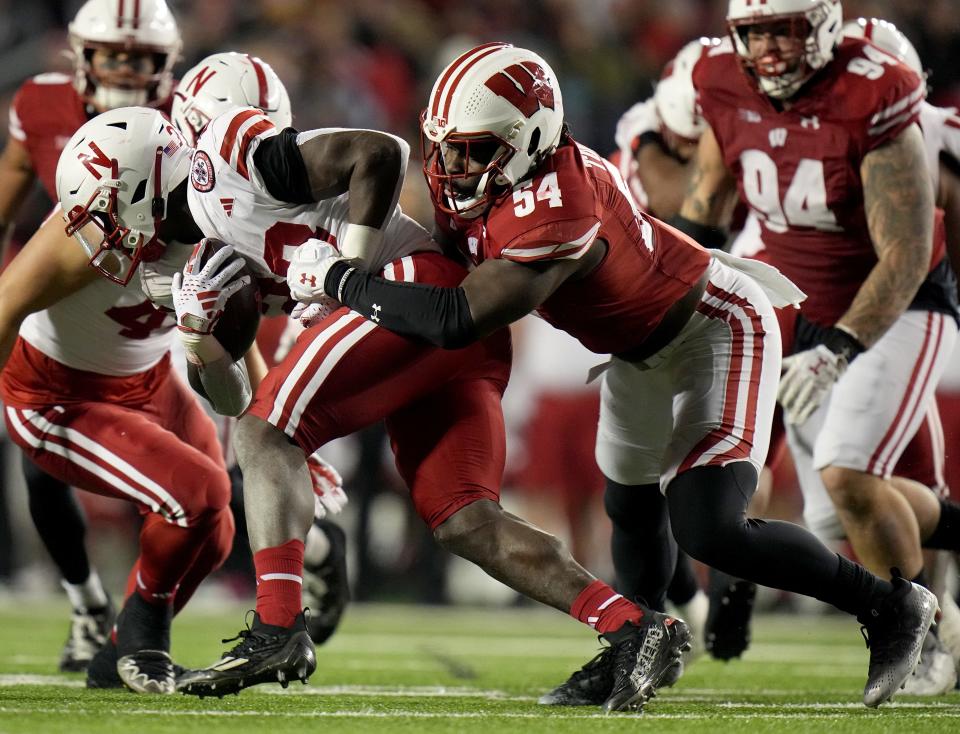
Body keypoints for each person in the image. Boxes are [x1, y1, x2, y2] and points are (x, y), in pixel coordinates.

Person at [288, 40, 941, 709]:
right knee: (630, 508)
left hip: (714, 328)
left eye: (475, 150)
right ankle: (645, 639)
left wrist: (340, 279)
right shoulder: (489, 175)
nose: (454, 166)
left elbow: (458, 316)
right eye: (447, 147)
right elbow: (433, 273)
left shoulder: (560, 200)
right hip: (636, 351)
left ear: (531, 139)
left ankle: (890, 605)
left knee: (706, 527)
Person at [55, 102, 691, 714]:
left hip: (415, 289)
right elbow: (234, 402)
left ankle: (277, 628)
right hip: (436, 331)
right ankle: (634, 626)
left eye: (100, 211)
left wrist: (346, 270)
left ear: (136, 184)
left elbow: (378, 153)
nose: (98, 234)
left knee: (270, 432)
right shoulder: (177, 267)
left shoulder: (225, 158)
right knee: (464, 519)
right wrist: (201, 343)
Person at [676, 0, 960, 689]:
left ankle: (926, 640)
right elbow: (707, 202)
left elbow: (906, 251)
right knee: (839, 511)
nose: (770, 48)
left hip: (893, 304)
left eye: (787, 28)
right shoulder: (719, 76)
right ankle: (943, 597)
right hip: (786, 291)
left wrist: (838, 347)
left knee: (847, 474)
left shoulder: (872, 90)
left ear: (825, 26)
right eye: (756, 31)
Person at [0, 0, 181, 674]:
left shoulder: (193, 115)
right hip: (72, 297)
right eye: (114, 54)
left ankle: (151, 611)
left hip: (163, 307)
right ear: (82, 55)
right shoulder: (43, 106)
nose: (129, 68)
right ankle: (87, 604)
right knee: (38, 460)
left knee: (188, 465)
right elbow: (9, 197)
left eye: (142, 57)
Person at [167, 51, 350, 647]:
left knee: (237, 456)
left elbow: (237, 344)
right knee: (210, 463)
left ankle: (307, 554)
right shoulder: (165, 181)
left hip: (252, 312)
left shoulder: (260, 190)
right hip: (150, 325)